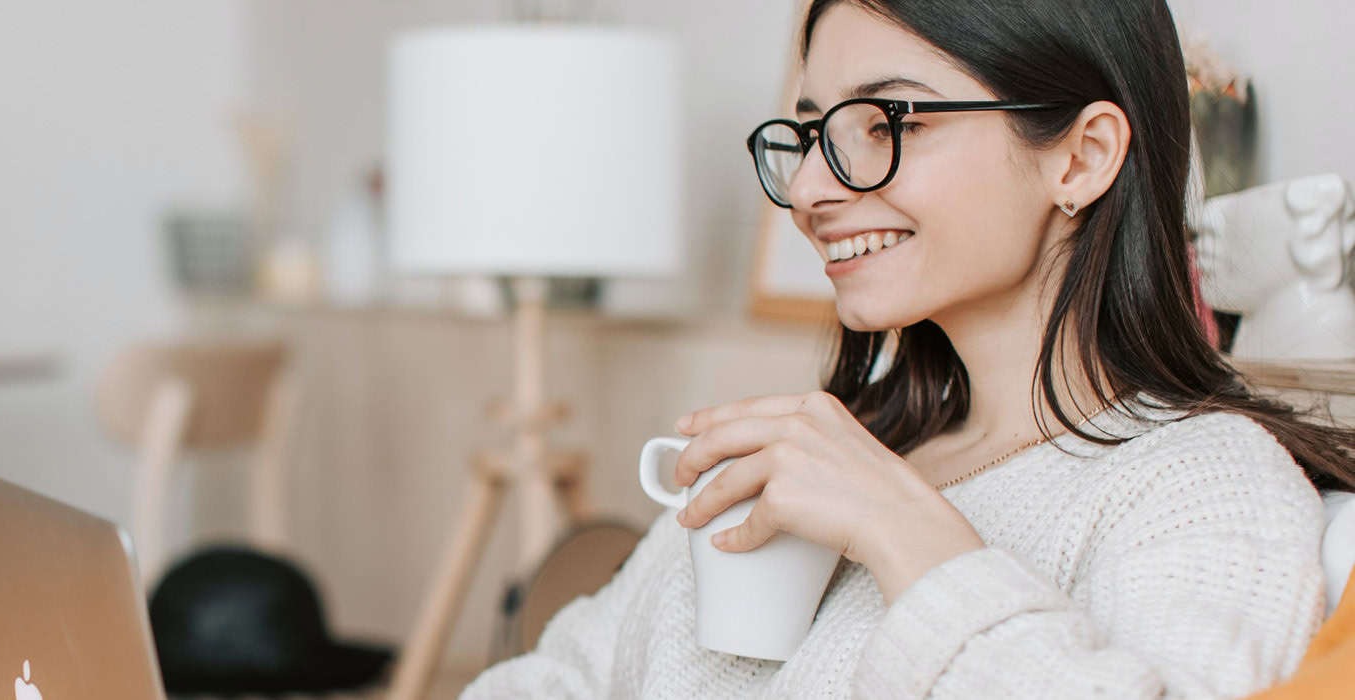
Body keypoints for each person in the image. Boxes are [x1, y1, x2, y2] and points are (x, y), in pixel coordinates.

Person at [461, 1, 1355, 697]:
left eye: (887, 123)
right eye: (811, 134)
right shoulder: (837, 447)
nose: (810, 189)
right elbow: (552, 679)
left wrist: (909, 536)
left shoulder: (1200, 484)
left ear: (1081, 158)